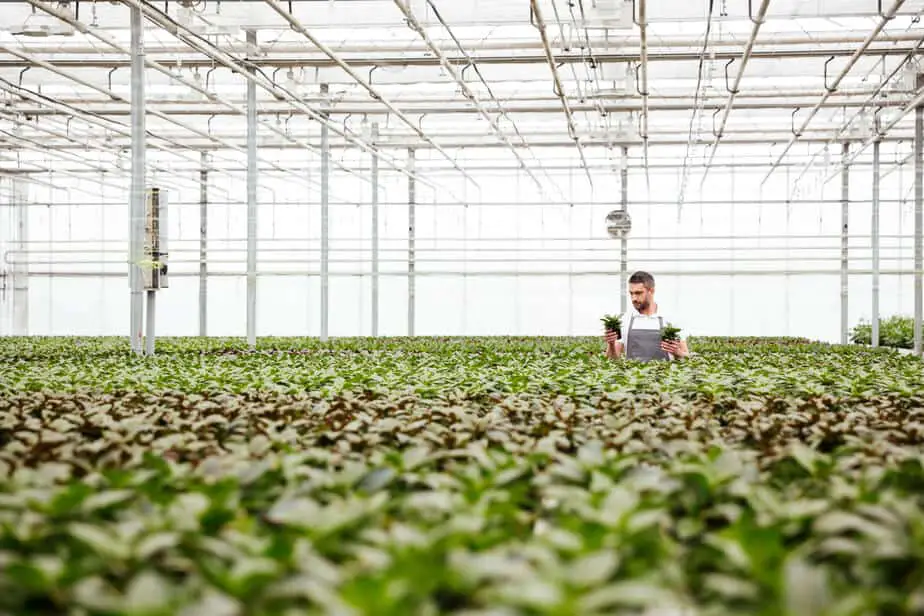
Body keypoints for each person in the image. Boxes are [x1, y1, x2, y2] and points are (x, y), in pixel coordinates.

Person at [604, 270, 690, 361]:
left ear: (651, 291)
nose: (634, 298)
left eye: (638, 293)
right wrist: (611, 344)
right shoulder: (625, 320)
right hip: (632, 374)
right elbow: (612, 360)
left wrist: (677, 352)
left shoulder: (670, 319)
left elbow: (686, 357)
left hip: (664, 374)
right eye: (631, 293)